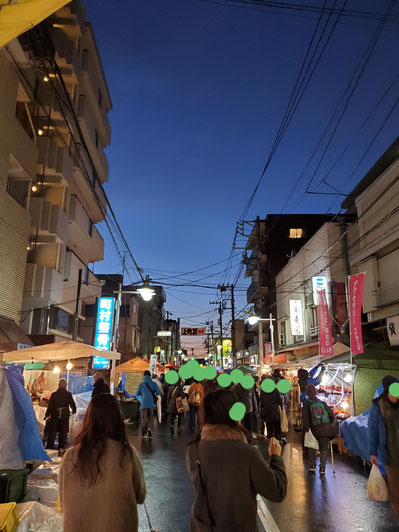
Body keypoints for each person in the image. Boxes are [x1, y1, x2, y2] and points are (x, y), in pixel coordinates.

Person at [186, 389, 287, 531]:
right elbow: (277, 491)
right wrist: (275, 457)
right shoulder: (246, 452)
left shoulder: (194, 449)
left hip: (203, 526)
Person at [59, 393, 146, 532]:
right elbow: (140, 496)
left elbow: (64, 501)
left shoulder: (70, 456)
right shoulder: (127, 454)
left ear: (88, 419)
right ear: (117, 420)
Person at [368, 375, 399, 519]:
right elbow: (372, 429)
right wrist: (372, 452)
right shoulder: (378, 405)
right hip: (390, 455)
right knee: (395, 491)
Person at [302, 384, 335, 474]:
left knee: (312, 447)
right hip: (325, 429)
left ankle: (312, 466)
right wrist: (328, 424)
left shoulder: (306, 403)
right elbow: (331, 415)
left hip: (314, 429)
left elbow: (305, 418)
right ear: (315, 392)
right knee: (324, 449)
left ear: (307, 393)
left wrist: (306, 429)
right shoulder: (322, 403)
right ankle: (322, 469)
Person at [45, 378, 76, 452]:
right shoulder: (68, 394)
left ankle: (49, 448)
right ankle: (61, 449)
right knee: (63, 432)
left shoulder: (54, 394)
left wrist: (47, 414)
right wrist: (74, 410)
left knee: (52, 432)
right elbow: (72, 404)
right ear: (65, 386)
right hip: (64, 415)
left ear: (58, 385)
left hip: (55, 414)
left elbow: (50, 406)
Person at [136, 370, 161, 439]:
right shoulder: (153, 384)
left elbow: (137, 393)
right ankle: (149, 429)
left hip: (143, 404)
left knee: (144, 418)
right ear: (150, 376)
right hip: (151, 404)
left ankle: (144, 433)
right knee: (150, 417)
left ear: (143, 376)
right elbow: (158, 392)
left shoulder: (141, 384)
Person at [260, 375, 282, 441]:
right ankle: (277, 443)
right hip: (275, 412)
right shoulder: (275, 390)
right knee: (277, 430)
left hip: (267, 412)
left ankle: (270, 443)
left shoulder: (262, 391)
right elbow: (280, 401)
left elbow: (261, 402)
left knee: (269, 430)